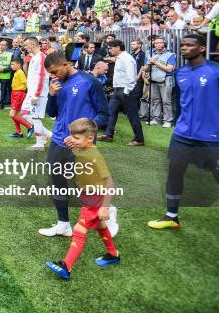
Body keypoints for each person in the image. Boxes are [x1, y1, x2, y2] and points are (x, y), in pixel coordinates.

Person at [148, 34, 219, 229]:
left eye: (190, 45)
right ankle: (172, 216)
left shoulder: (216, 71)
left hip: (212, 136)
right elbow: (182, 103)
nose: (185, 48)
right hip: (183, 134)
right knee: (174, 171)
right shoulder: (180, 73)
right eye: (183, 45)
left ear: (202, 48)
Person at [41, 52, 116, 238]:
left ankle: (110, 213)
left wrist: (82, 134)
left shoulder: (89, 81)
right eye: (50, 73)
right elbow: (51, 113)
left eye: (55, 71)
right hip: (59, 139)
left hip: (83, 144)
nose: (53, 76)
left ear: (65, 63)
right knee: (57, 182)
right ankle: (63, 224)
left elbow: (104, 115)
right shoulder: (56, 84)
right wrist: (51, 95)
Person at [45, 118, 120, 280]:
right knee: (101, 226)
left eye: (77, 138)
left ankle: (66, 266)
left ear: (90, 138)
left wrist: (105, 206)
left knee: (79, 231)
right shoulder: (84, 149)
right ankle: (113, 254)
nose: (74, 140)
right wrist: (72, 142)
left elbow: (110, 183)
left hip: (95, 200)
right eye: (72, 136)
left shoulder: (95, 156)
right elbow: (78, 154)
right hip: (88, 198)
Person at [99, 40, 145, 146]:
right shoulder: (120, 58)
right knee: (110, 112)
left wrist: (126, 92)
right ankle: (108, 135)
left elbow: (131, 77)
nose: (109, 50)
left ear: (118, 47)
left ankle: (139, 139)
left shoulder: (127, 59)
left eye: (110, 48)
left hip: (126, 91)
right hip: (118, 90)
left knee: (132, 115)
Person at [21, 38, 52, 151]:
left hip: (38, 94)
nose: (25, 47)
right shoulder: (34, 57)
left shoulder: (41, 57)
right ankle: (48, 134)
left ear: (33, 44)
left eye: (26, 45)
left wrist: (36, 95)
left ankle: (39, 144)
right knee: (24, 113)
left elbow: (42, 77)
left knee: (36, 118)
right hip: (31, 92)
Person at [145, 37, 176, 128]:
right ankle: (156, 119)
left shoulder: (170, 55)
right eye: (156, 43)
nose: (158, 44)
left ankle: (168, 120)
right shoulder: (150, 54)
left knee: (166, 101)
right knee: (155, 100)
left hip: (166, 79)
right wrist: (148, 65)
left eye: (160, 43)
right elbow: (145, 68)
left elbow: (169, 69)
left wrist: (155, 62)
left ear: (164, 44)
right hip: (153, 79)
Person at [7, 59, 33, 138]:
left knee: (12, 114)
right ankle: (19, 133)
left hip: (19, 94)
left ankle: (30, 127)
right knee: (15, 114)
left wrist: (29, 94)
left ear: (19, 65)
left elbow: (26, 82)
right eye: (11, 64)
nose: (12, 66)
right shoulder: (17, 72)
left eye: (13, 64)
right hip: (14, 93)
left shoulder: (20, 73)